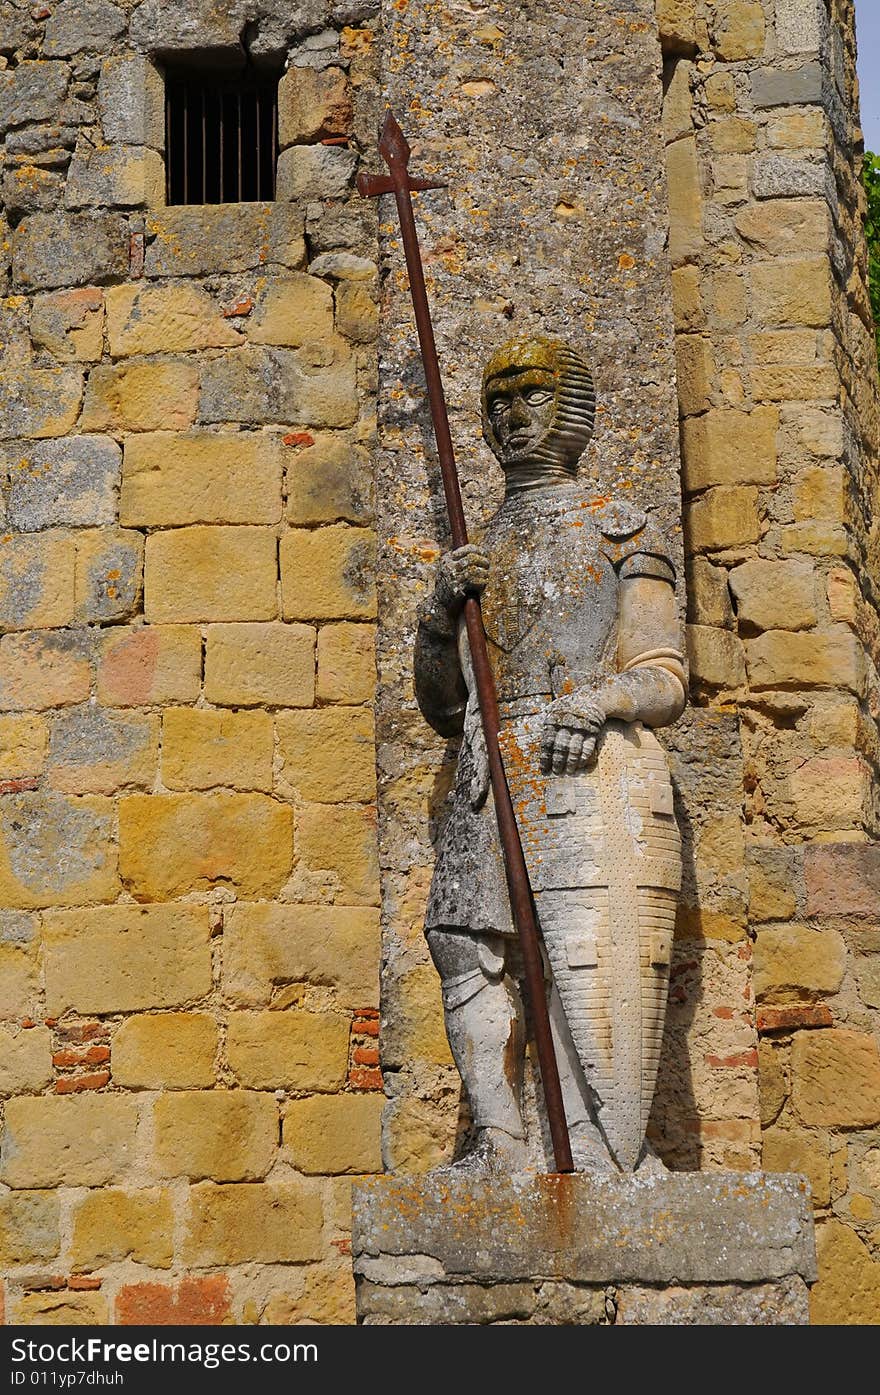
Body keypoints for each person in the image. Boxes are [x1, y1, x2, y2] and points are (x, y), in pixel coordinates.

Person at [413, 335, 687, 1173]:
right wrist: (436, 612)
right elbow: (445, 706)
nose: (510, 418)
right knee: (467, 942)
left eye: (528, 397)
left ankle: (600, 1142)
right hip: (483, 770)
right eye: (496, 406)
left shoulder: (619, 530)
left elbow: (664, 676)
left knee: (578, 950)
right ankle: (500, 1140)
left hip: (579, 768)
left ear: (568, 407)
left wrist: (600, 699)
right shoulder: (472, 549)